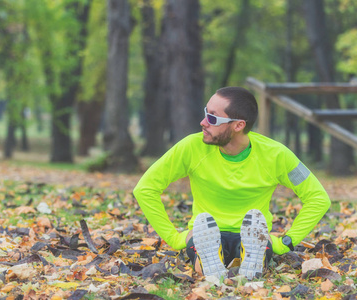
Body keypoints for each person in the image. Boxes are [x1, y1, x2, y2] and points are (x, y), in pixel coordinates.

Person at [133, 87, 330, 280]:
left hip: (253, 234)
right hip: (205, 233)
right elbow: (145, 189)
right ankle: (232, 267)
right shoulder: (191, 148)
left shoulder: (277, 155)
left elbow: (318, 198)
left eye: (212, 117)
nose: (203, 122)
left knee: (250, 249)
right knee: (208, 249)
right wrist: (175, 238)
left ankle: (241, 264)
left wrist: (285, 242)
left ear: (238, 125)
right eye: (205, 114)